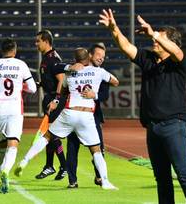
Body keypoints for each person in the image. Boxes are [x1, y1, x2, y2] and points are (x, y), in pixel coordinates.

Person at [99, 9, 186, 203]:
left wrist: (154, 33)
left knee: (183, 173)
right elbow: (127, 47)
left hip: (174, 125)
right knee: (162, 178)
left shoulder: (178, 62)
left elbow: (177, 52)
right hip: (152, 127)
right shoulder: (148, 58)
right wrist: (114, 29)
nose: (154, 41)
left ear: (170, 42)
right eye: (155, 38)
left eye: (160, 39)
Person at [14, 48, 119, 190]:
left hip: (69, 113)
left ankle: (25, 160)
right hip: (86, 115)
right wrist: (95, 93)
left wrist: (57, 99)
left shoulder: (69, 73)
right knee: (96, 151)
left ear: (75, 60)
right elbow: (115, 81)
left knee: (46, 137)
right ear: (89, 57)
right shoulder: (99, 72)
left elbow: (62, 90)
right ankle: (105, 181)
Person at [0, 38, 37, 193]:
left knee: (1, 146)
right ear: (15, 50)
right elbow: (33, 88)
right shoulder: (21, 65)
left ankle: (2, 177)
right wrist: (21, 86)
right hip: (15, 109)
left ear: (2, 51)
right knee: (13, 144)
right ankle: (7, 170)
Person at [66, 43, 110, 188]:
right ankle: (73, 181)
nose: (101, 59)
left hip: (93, 116)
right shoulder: (74, 70)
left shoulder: (102, 73)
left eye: (103, 57)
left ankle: (99, 177)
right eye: (98, 55)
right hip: (75, 113)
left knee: (99, 148)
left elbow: (105, 95)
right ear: (90, 55)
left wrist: (94, 95)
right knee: (72, 147)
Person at [34, 29, 68, 180]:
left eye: (38, 41)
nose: (36, 44)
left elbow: (61, 79)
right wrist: (41, 83)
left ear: (46, 42)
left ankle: (63, 166)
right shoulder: (47, 57)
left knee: (52, 134)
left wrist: (56, 100)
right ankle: (50, 166)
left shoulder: (52, 58)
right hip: (50, 96)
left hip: (54, 99)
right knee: (49, 133)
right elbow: (52, 78)